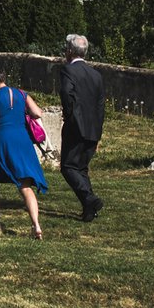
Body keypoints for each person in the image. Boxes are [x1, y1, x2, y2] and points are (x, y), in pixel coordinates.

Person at [0, 67, 48, 238]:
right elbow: (37, 112)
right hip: (22, 140)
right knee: (25, 185)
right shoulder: (22, 94)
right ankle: (36, 225)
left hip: (1, 140)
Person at [59, 33, 106, 222]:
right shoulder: (96, 75)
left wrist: (69, 116)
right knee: (81, 168)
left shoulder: (68, 71)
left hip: (76, 126)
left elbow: (66, 93)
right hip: (93, 128)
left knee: (68, 167)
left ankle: (89, 198)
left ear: (70, 51)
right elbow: (100, 105)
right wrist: (98, 130)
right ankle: (89, 209)